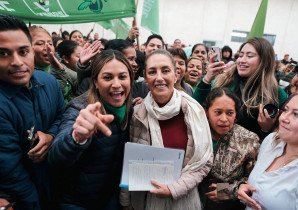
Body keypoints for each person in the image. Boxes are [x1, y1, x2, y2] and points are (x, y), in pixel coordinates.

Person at [120, 49, 213, 209]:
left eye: (165, 70)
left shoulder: (194, 110)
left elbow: (204, 161)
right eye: (152, 72)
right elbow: (132, 163)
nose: (159, 78)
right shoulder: (137, 115)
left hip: (186, 199)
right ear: (145, 78)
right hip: (148, 201)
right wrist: (126, 202)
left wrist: (173, 189)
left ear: (176, 75)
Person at [48, 49, 133, 209]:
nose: (116, 84)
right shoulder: (79, 109)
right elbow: (55, 158)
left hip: (110, 200)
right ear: (95, 81)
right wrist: (76, 138)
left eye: (122, 76)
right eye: (107, 77)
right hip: (76, 202)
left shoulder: (132, 109)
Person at [0, 14, 65, 209]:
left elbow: (62, 116)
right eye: (3, 53)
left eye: (23, 51)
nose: (17, 61)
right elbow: (11, 174)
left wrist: (52, 135)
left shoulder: (50, 83)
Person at [193, 37, 288, 139]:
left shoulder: (276, 93)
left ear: (264, 60)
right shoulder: (224, 82)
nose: (242, 60)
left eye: (249, 56)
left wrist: (266, 129)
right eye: (240, 55)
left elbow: (284, 136)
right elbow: (194, 110)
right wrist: (207, 79)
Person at [199, 87, 260, 210]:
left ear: (236, 114)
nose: (224, 119)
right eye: (218, 112)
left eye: (230, 113)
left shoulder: (248, 140)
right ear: (207, 112)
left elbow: (254, 179)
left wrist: (226, 191)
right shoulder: (196, 133)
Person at [237, 92, 298, 210]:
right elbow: (255, 184)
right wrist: (242, 188)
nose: (283, 118)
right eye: (285, 110)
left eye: (296, 114)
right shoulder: (271, 141)